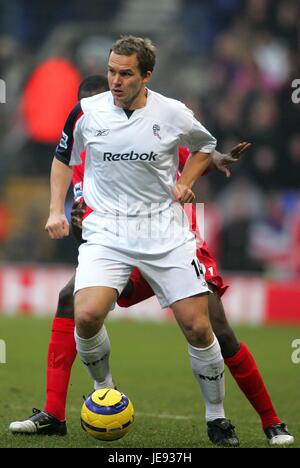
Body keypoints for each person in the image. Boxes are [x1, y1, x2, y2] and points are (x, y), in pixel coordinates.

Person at [9, 71, 293, 445]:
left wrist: (215, 158)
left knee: (215, 330)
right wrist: (73, 219)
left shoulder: (149, 126)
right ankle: (59, 410)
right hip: (117, 246)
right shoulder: (83, 157)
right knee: (73, 302)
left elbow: (188, 150)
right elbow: (84, 213)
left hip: (168, 240)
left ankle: (269, 420)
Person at [44, 35, 240, 447]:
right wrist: (54, 211)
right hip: (107, 232)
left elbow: (206, 146)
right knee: (85, 314)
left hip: (163, 231)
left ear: (146, 75)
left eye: (125, 73)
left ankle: (217, 417)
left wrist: (185, 183)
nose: (115, 80)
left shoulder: (173, 113)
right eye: (112, 71)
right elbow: (63, 158)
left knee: (198, 326)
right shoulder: (85, 111)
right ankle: (106, 392)